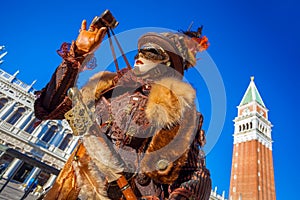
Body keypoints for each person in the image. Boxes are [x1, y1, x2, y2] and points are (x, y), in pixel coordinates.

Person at [34, 10, 211, 200]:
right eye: (140, 51)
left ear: (168, 65)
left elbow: (193, 174)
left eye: (151, 52)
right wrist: (78, 53)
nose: (139, 55)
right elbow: (49, 107)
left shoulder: (181, 112)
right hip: (74, 190)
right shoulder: (105, 88)